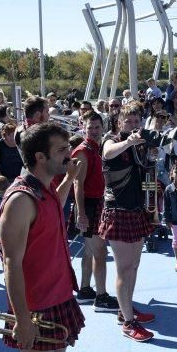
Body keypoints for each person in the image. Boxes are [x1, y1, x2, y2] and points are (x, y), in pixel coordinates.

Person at [0, 122, 85, 352]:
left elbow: (51, 208)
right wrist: (22, 318)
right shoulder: (20, 200)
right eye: (61, 150)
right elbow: (11, 263)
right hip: (36, 306)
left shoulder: (44, 188)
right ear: (40, 157)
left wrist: (69, 179)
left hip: (58, 296)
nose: (69, 154)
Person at [98, 103, 156, 342]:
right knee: (123, 268)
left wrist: (153, 208)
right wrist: (130, 141)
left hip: (137, 210)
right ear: (119, 122)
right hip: (117, 211)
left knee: (134, 266)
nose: (133, 125)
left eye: (136, 121)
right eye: (128, 121)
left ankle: (127, 310)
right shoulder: (110, 140)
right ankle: (127, 322)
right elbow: (107, 153)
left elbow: (148, 175)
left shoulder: (142, 146)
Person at [72, 112, 119, 313]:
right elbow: (77, 184)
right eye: (90, 127)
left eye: (97, 127)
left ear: (102, 127)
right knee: (100, 253)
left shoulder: (96, 149)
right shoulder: (83, 151)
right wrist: (81, 213)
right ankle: (101, 296)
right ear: (84, 128)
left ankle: (84, 290)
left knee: (90, 251)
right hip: (90, 206)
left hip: (97, 204)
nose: (93, 131)